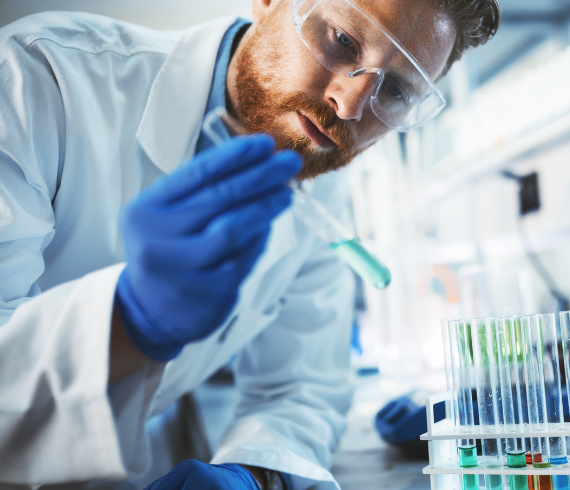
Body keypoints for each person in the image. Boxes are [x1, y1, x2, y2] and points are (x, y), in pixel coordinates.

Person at [0, 0, 499, 488]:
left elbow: (303, 387)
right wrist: (129, 321)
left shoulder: (321, 175)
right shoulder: (36, 76)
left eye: (395, 90)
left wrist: (254, 475)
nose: (349, 105)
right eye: (343, 41)